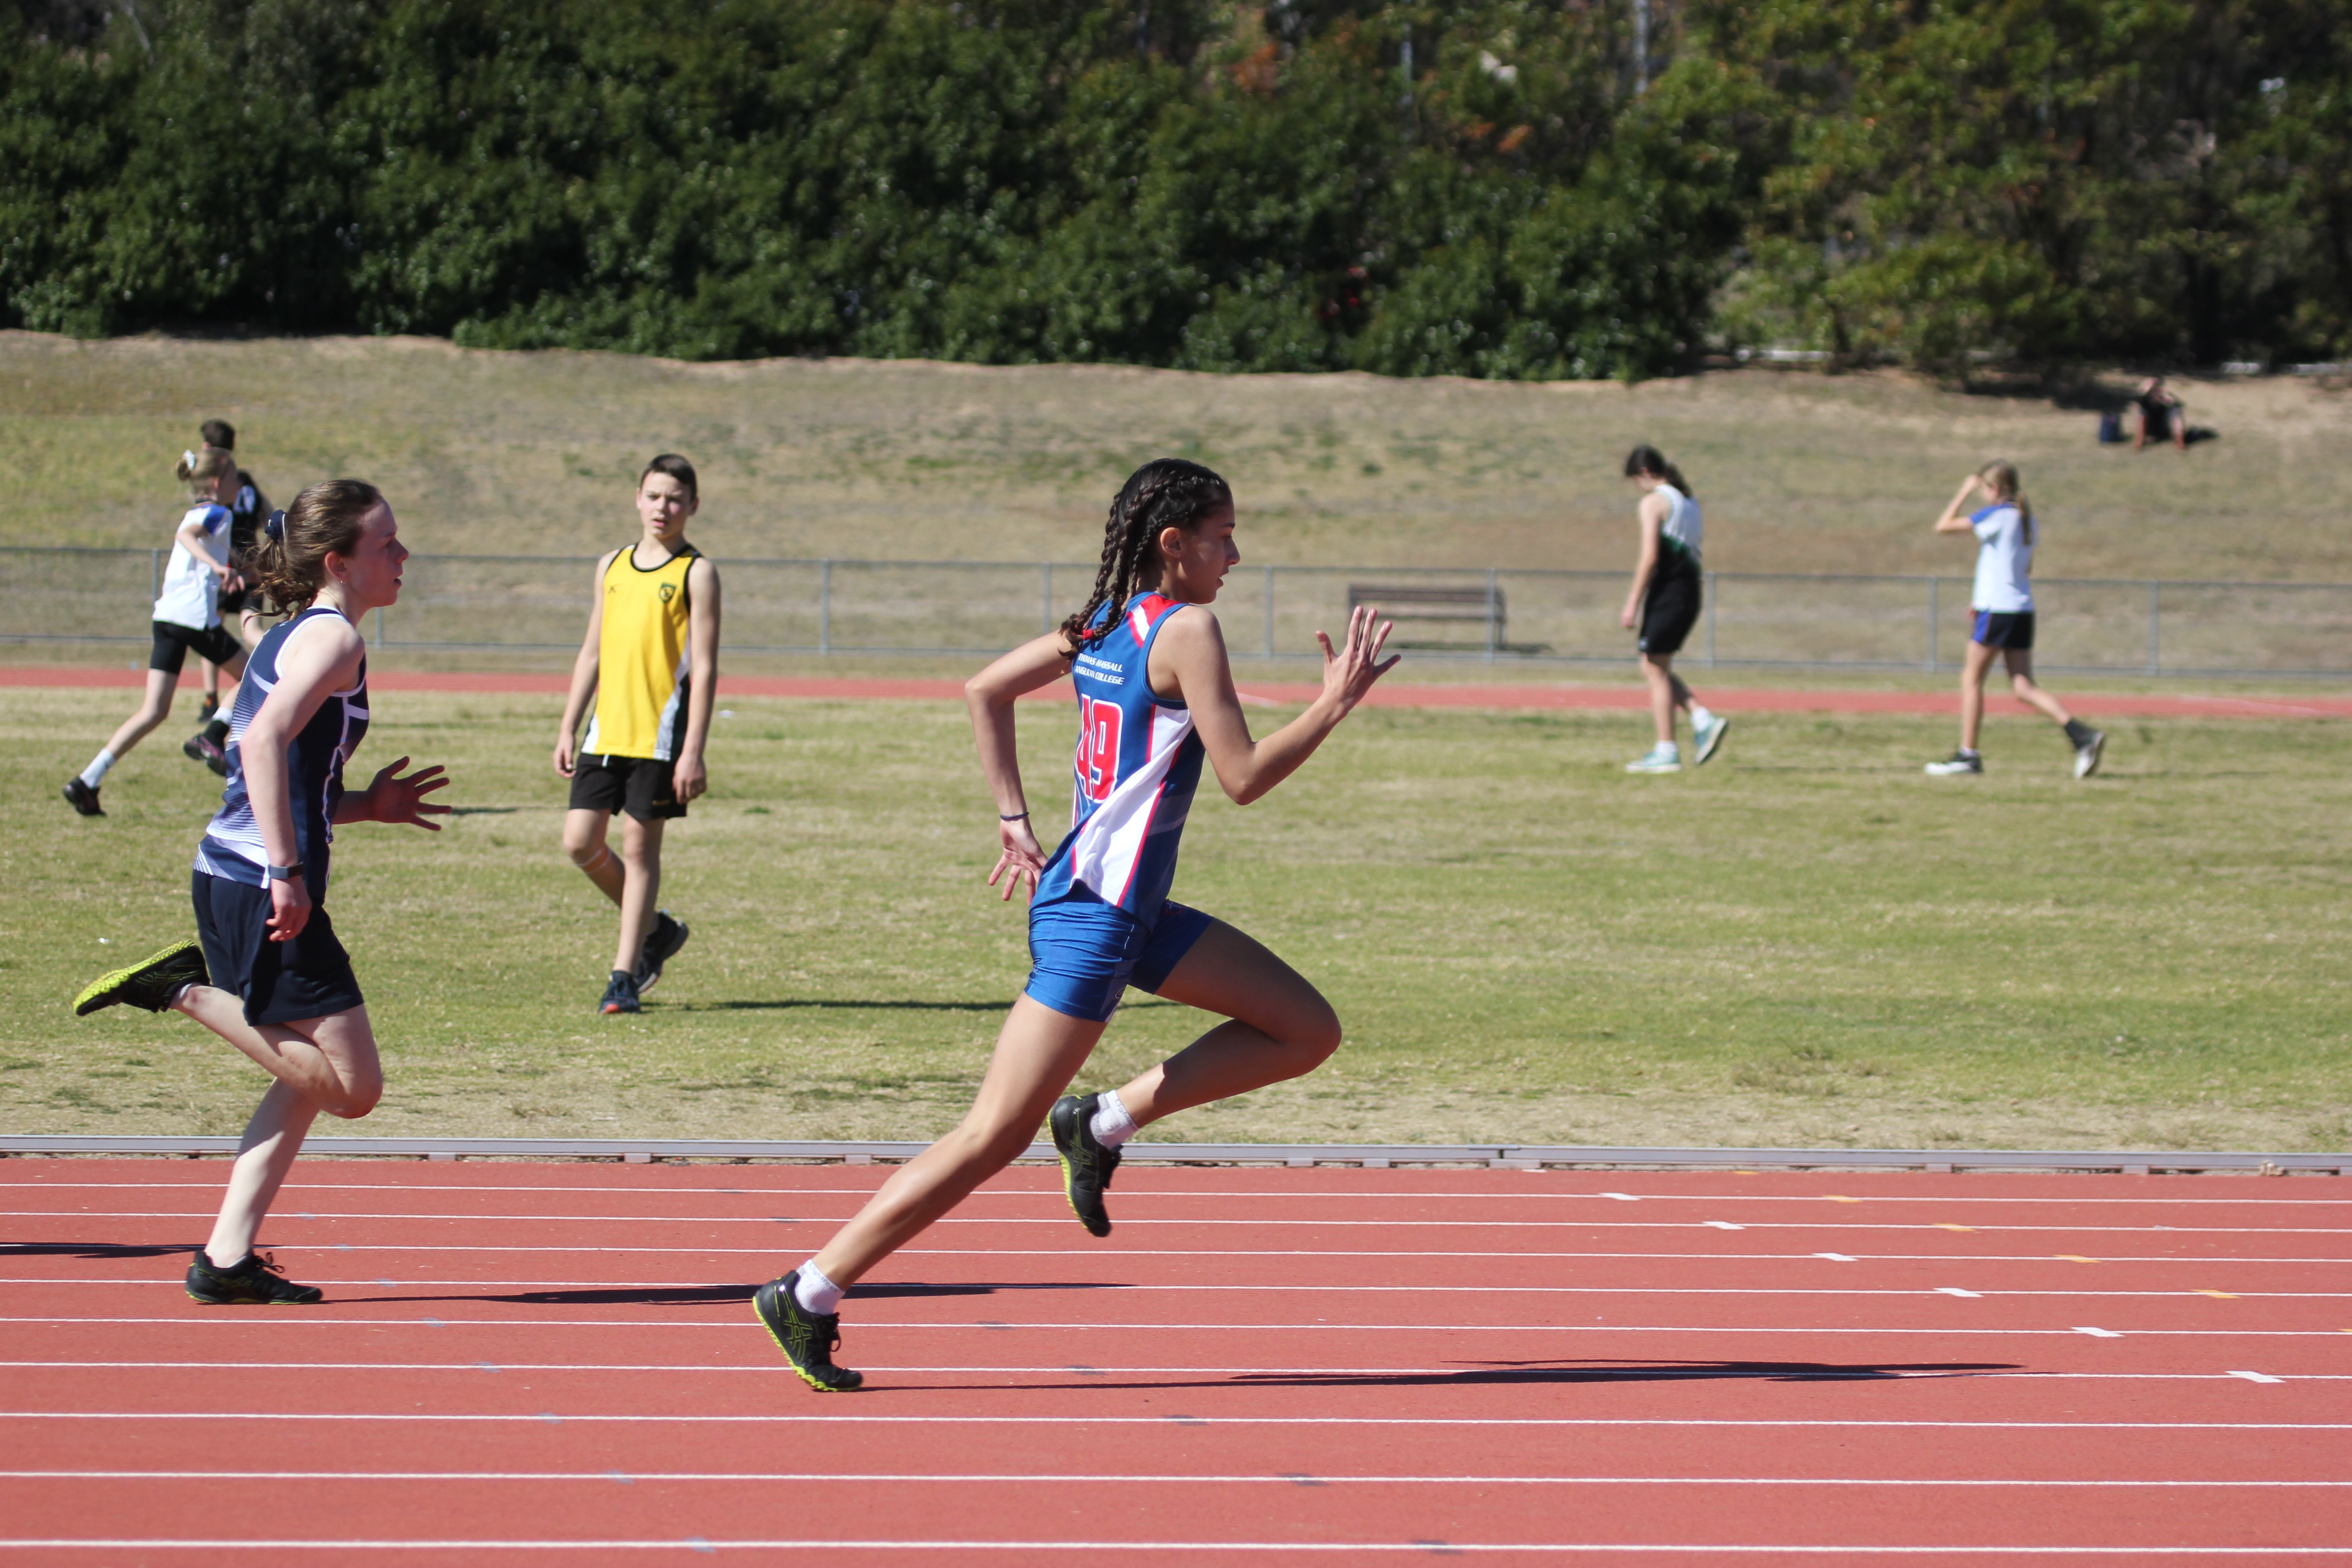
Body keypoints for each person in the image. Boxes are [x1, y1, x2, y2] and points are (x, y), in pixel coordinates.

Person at [749, 457, 1398, 1393]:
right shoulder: (1187, 630)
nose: (1236, 553)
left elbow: (985, 690)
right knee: (990, 1136)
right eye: (1222, 536)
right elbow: (1245, 778)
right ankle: (809, 1290)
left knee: (1306, 1029)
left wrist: (1014, 821)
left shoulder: (1102, 621)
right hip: (1095, 920)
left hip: (1130, 911)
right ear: (1174, 546)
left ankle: (1103, 1120)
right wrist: (1332, 703)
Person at [71, 480, 450, 1304]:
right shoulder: (332, 642)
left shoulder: (292, 637)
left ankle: (226, 1257)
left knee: (310, 1077)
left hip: (238, 873)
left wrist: (364, 808)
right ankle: (178, 988)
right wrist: (285, 871)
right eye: (386, 544)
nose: (402, 555)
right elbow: (264, 744)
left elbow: (280, 772)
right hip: (258, 883)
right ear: (337, 561)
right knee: (353, 1089)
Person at [554, 455, 719, 1016]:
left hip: (660, 736)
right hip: (606, 732)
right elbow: (592, 651)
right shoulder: (612, 566)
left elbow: (707, 668)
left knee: (638, 848)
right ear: (637, 498)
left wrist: (693, 749)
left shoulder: (696, 573)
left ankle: (624, 975)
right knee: (579, 842)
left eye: (675, 498)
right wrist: (568, 723)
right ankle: (657, 928)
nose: (663, 508)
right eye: (654, 496)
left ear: (692, 506)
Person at [63, 447, 250, 815]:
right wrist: (217, 566)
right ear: (217, 483)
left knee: (154, 710)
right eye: (234, 478)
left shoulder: (201, 512)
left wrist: (237, 573)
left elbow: (202, 546)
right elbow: (188, 537)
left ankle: (87, 781)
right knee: (255, 673)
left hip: (167, 617)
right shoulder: (217, 512)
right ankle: (213, 736)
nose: (239, 483)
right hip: (194, 618)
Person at [1925, 461, 2105, 779]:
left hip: (1998, 611)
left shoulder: (1996, 516)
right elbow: (2018, 568)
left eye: (1983, 489)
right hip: (2021, 609)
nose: (1981, 494)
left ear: (1995, 490)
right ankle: (2082, 736)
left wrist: (1964, 490)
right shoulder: (2027, 519)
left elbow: (1943, 526)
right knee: (2023, 686)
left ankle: (1968, 756)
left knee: (1972, 680)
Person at [1617, 444, 1729, 774]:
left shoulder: (1654, 502)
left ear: (1645, 474)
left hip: (1668, 593)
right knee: (1656, 667)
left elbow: (1650, 556)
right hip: (1690, 592)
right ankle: (1702, 718)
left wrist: (1632, 602)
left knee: (1653, 669)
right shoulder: (1689, 502)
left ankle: (1667, 750)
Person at [194, 419, 272, 727]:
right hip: (251, 563)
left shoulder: (213, 485)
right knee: (250, 627)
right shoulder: (245, 481)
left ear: (205, 448)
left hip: (225, 568)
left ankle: (211, 698)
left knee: (211, 629)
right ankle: (269, 672)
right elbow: (268, 513)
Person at [2131, 377, 2187, 452]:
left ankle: (2180, 443)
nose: (2156, 390)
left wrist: (2170, 400)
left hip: (2165, 428)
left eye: (2158, 387)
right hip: (2150, 428)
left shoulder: (2165, 398)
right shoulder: (2145, 401)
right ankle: (2139, 442)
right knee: (2143, 412)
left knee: (2176, 411)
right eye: (2153, 388)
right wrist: (2144, 390)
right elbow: (2137, 402)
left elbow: (2180, 405)